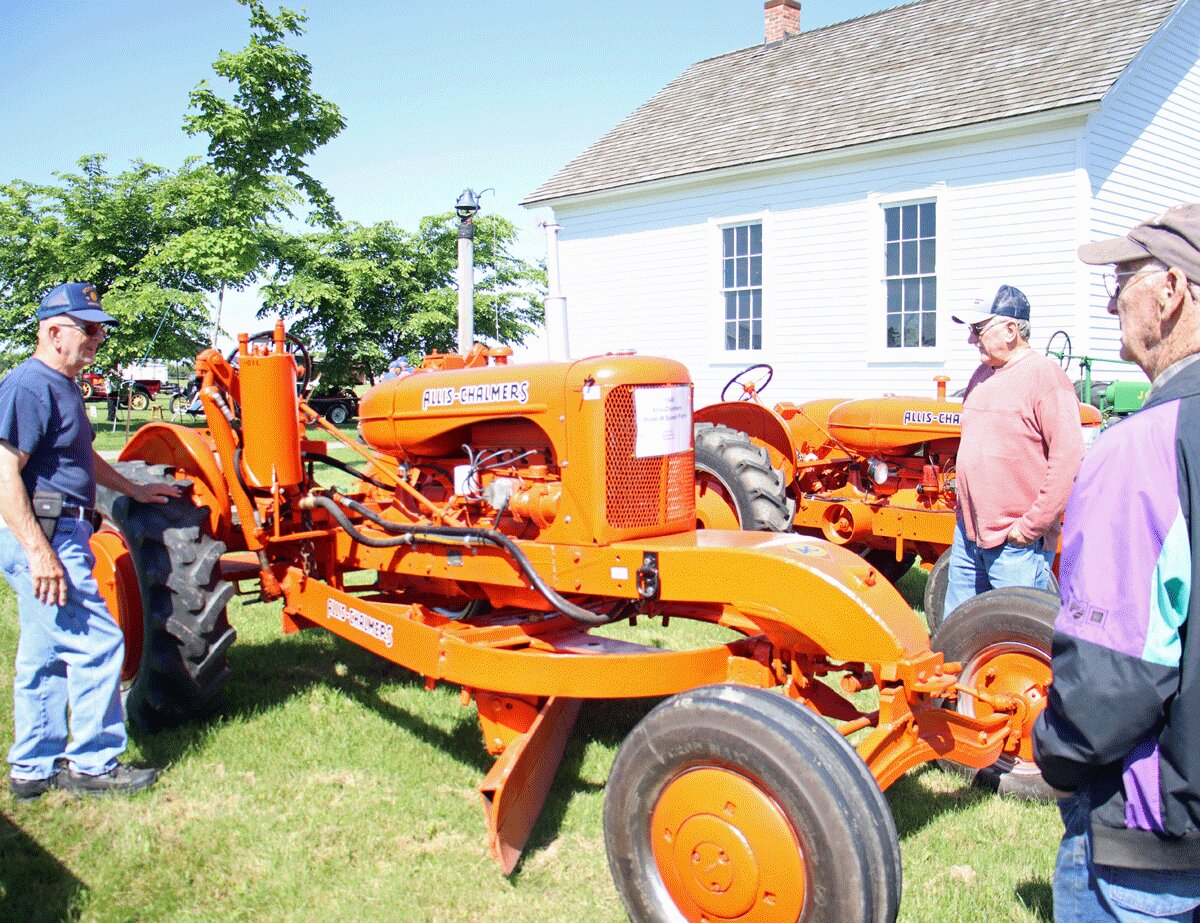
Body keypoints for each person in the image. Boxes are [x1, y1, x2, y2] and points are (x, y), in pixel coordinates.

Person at [1034, 204, 1200, 921]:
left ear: (1170, 291)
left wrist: (1056, 750)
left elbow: (1113, 672)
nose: (1111, 301)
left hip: (1152, 836)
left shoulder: (1140, 449)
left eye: (1123, 280)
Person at [0, 282, 181, 800]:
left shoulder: (63, 386)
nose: (99, 338)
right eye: (89, 328)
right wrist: (39, 552)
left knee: (45, 654)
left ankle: (33, 768)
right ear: (54, 332)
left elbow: (81, 459)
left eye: (101, 328)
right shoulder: (29, 386)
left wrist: (134, 488)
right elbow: (4, 470)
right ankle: (95, 764)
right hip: (46, 531)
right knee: (99, 643)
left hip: (60, 524)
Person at [941, 284, 1086, 618]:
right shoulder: (981, 376)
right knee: (957, 631)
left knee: (1016, 639)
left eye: (978, 329)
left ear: (1010, 330)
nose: (971, 339)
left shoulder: (1046, 378)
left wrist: (1030, 528)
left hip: (1016, 545)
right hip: (968, 535)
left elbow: (1068, 459)